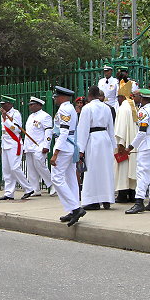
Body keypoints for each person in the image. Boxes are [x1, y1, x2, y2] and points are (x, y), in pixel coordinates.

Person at [123, 89, 150, 214]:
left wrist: (130, 147)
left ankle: (139, 202)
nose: (135, 98)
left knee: (142, 173)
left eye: (136, 96)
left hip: (146, 145)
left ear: (142, 98)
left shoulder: (143, 111)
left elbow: (142, 132)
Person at [50, 86, 85, 226]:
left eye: (56, 97)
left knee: (56, 178)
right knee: (70, 179)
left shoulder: (64, 109)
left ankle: (75, 208)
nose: (55, 99)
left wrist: (56, 153)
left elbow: (64, 132)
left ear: (62, 97)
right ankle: (73, 209)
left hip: (64, 147)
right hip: (69, 146)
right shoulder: (70, 108)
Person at [77, 85, 116, 210]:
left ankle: (93, 200)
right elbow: (111, 128)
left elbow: (83, 129)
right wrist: (113, 145)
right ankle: (107, 198)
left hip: (93, 139)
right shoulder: (107, 108)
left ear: (89, 95)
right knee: (106, 170)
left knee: (93, 170)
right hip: (105, 138)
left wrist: (80, 150)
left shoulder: (87, 108)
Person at [0, 96, 34, 200]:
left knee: (15, 168)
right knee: (6, 170)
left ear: (10, 104)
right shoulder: (4, 114)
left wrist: (5, 120)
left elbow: (16, 129)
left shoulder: (16, 114)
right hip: (5, 143)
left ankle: (28, 188)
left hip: (14, 143)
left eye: (4, 104)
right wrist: (4, 117)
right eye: (1, 105)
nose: (2, 106)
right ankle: (9, 193)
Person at [23, 97, 54, 197]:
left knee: (40, 166)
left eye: (32, 105)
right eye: (30, 105)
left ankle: (52, 185)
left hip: (39, 146)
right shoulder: (30, 117)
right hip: (29, 146)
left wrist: (46, 145)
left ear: (39, 105)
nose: (30, 107)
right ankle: (35, 189)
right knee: (31, 169)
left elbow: (48, 131)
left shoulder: (45, 116)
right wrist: (25, 147)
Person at [114, 84, 139, 203]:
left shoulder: (123, 108)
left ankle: (123, 195)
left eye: (118, 97)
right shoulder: (134, 107)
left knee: (123, 168)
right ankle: (132, 194)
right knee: (132, 167)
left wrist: (120, 143)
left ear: (122, 97)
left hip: (125, 144)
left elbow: (120, 128)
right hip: (134, 145)